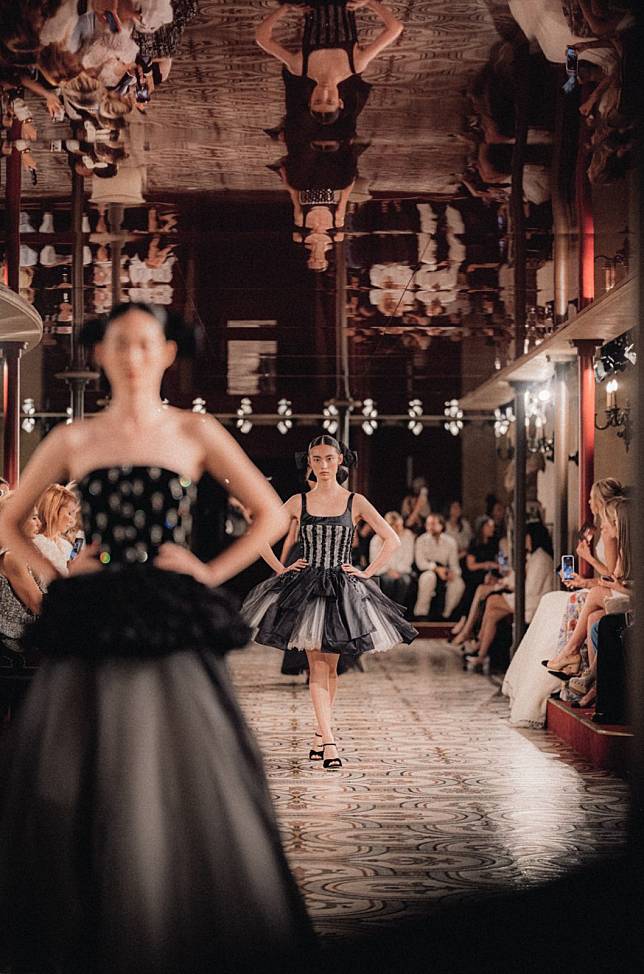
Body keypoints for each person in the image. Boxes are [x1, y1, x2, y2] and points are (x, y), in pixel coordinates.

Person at [0, 302, 312, 973]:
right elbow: (12, 522)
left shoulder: (195, 431)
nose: (135, 355)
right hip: (95, 605)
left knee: (184, 751)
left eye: (147, 343)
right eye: (122, 343)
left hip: (170, 607)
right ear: (102, 354)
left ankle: (173, 900)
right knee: (74, 749)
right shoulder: (75, 439)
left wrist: (207, 572)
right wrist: (61, 573)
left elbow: (266, 514)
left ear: (167, 353)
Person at [241, 435, 417, 770]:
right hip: (307, 589)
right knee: (317, 666)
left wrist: (367, 572)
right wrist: (281, 569)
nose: (322, 465)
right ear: (308, 462)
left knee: (332, 667)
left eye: (328, 458)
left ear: (340, 461)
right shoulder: (298, 502)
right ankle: (330, 742)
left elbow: (392, 539)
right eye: (316, 459)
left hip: (341, 590)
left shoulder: (356, 501)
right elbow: (259, 536)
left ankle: (320, 736)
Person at [256, 1, 403, 124]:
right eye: (330, 101)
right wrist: (369, 2)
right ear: (340, 102)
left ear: (310, 100)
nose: (324, 93)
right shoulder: (356, 65)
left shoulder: (300, 68)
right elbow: (395, 28)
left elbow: (262, 38)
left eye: (318, 100)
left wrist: (287, 6)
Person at [465, 522, 554, 669]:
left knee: (492, 600)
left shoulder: (541, 559)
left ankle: (478, 642)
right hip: (527, 597)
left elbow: (531, 589)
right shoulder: (533, 557)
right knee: (492, 612)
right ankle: (481, 653)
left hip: (533, 601)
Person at [450, 516, 500, 645]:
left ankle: (466, 622)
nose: (492, 529)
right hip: (476, 572)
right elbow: (471, 565)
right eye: (489, 526)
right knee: (472, 585)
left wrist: (491, 566)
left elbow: (499, 563)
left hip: (490, 573)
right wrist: (486, 564)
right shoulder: (475, 543)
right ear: (482, 527)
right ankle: (464, 620)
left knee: (480, 584)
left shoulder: (495, 542)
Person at [413, 513, 465, 620]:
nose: (430, 527)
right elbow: (421, 563)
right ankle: (421, 614)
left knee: (458, 583)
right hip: (427, 570)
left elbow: (454, 564)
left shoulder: (450, 542)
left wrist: (452, 573)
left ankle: (446, 615)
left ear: (441, 525)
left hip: (445, 570)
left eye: (433, 524)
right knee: (428, 578)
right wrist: (436, 569)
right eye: (428, 524)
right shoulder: (421, 540)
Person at [369, 510, 415, 606]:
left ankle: (398, 612)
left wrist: (397, 571)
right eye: (396, 526)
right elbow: (374, 560)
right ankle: (386, 610)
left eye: (401, 525)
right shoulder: (377, 539)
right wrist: (388, 570)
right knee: (388, 581)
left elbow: (408, 558)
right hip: (383, 571)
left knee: (404, 581)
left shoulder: (407, 536)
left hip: (402, 570)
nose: (400, 529)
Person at [34, 482, 79, 575]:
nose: (72, 520)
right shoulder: (38, 544)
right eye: (69, 513)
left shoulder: (66, 545)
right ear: (54, 511)